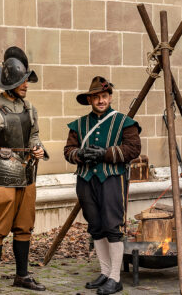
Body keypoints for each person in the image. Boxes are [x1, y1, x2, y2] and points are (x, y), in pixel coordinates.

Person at [0, 46, 48, 295]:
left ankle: (22, 275)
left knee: (24, 226)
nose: (26, 85)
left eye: (27, 80)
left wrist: (38, 149)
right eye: (21, 81)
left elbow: (34, 136)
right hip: (1, 177)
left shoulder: (30, 109)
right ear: (9, 83)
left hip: (27, 176)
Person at [63, 76, 141, 295]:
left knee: (112, 227)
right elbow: (68, 151)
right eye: (96, 97)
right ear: (90, 99)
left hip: (112, 180)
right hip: (86, 180)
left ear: (110, 97)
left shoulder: (124, 122)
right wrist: (79, 154)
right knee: (95, 227)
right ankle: (105, 272)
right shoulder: (78, 125)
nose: (100, 101)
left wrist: (105, 154)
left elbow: (133, 149)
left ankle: (115, 278)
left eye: (104, 96)